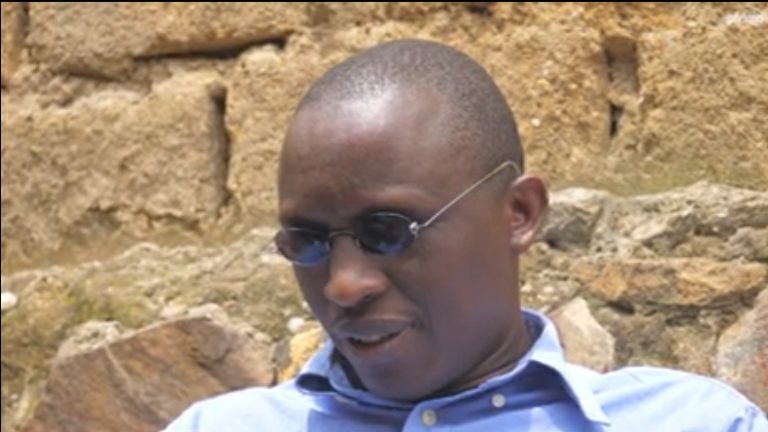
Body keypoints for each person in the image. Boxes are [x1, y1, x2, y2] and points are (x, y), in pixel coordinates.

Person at [165, 39, 767, 431]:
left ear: (519, 214)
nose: (343, 285)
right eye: (308, 242)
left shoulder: (694, 423)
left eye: (387, 231)